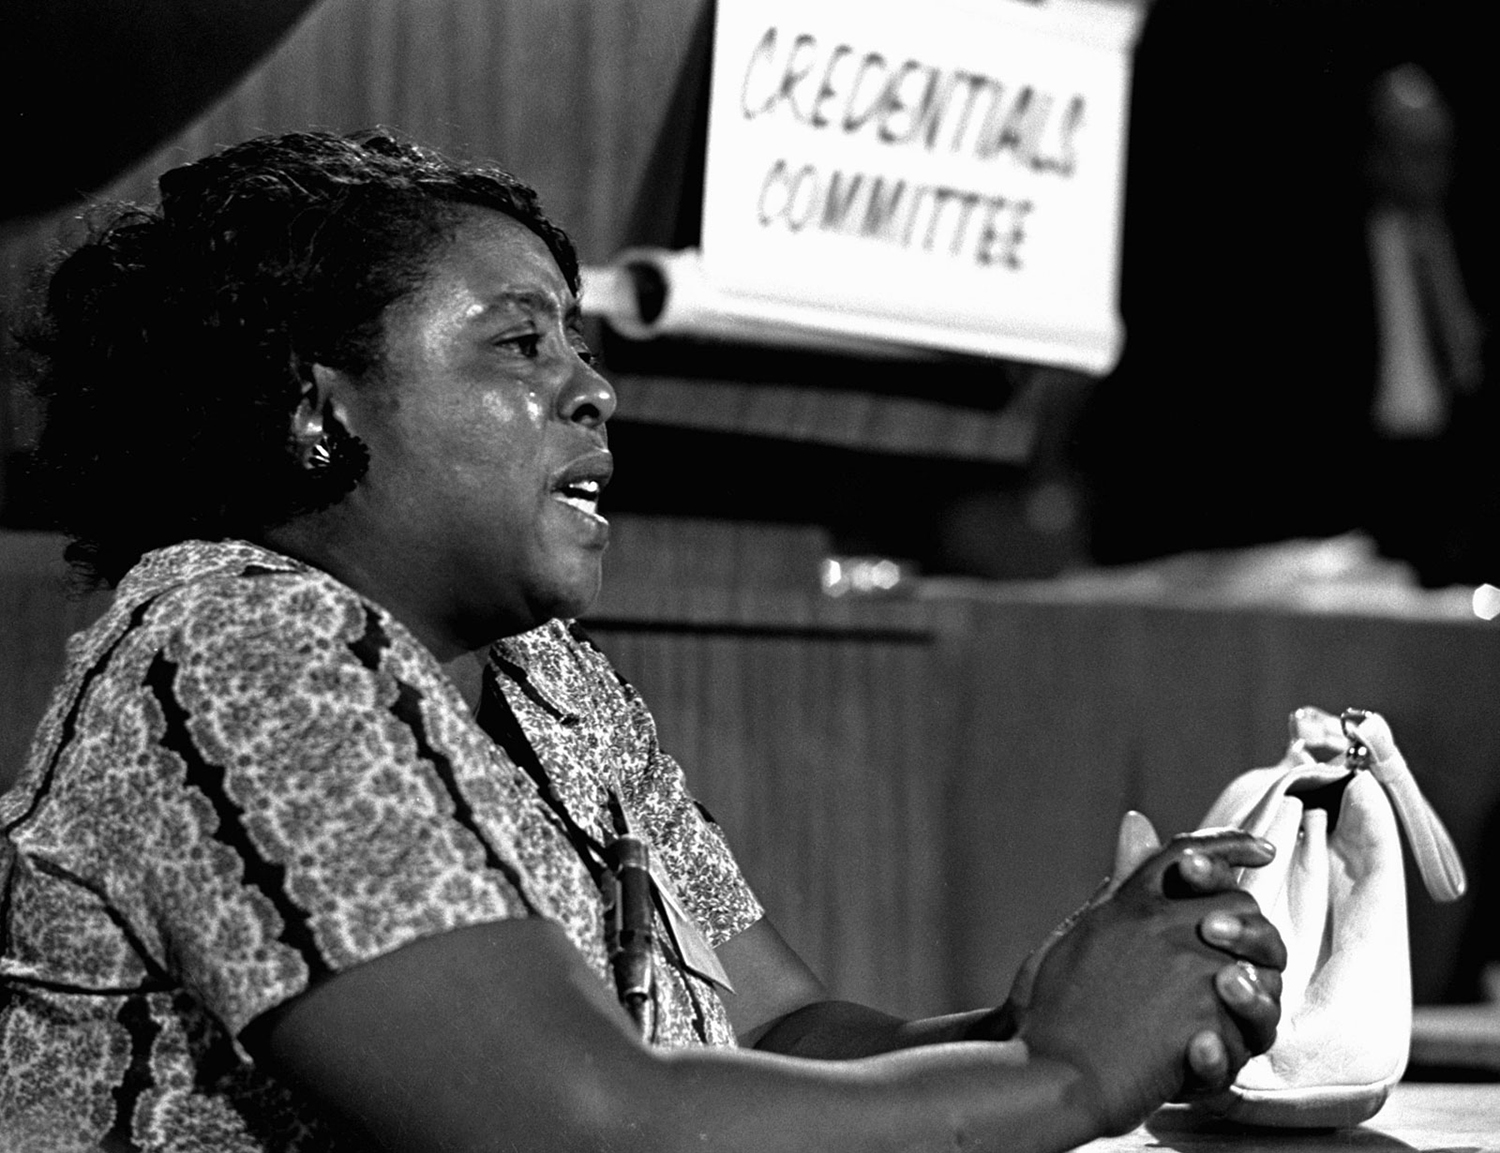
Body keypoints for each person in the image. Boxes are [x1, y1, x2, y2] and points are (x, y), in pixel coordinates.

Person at [0, 130, 1285, 1152]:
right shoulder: (236, 638)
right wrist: (1059, 1078)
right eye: (519, 343)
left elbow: (775, 1031)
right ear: (315, 408)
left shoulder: (552, 683)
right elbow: (578, 1124)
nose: (592, 385)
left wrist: (1045, 1006)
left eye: (579, 339)